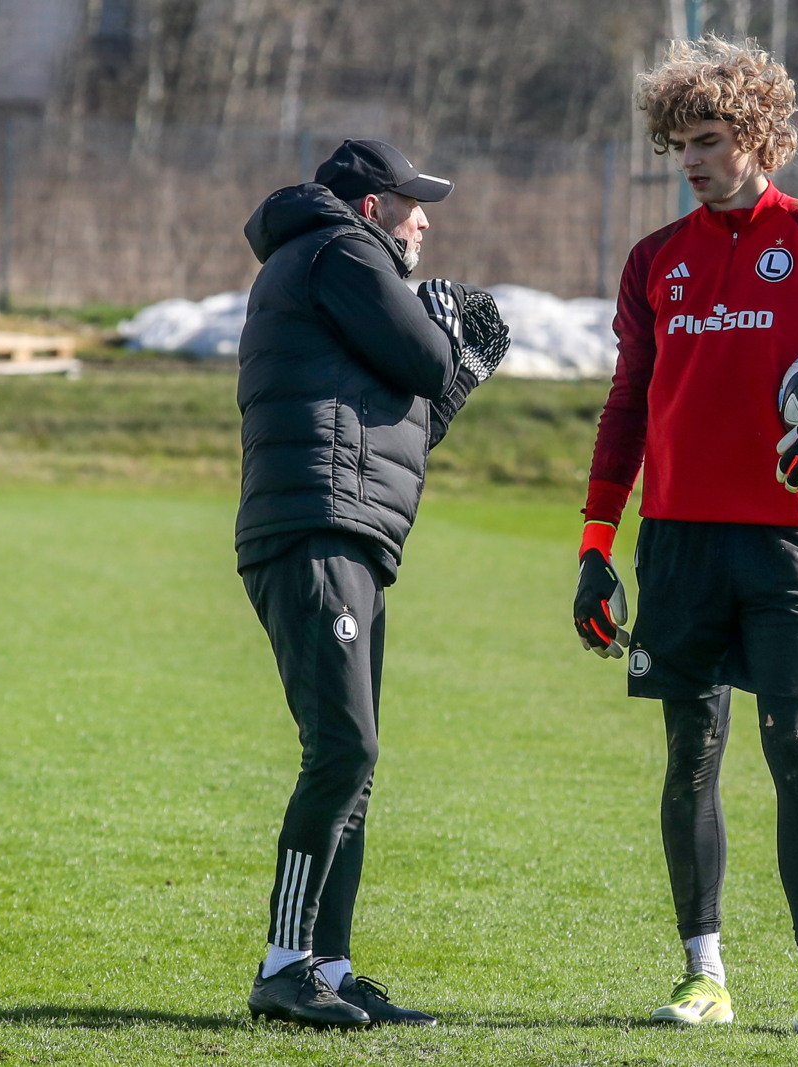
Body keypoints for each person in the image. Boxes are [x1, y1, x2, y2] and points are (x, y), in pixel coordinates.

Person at [572, 38, 798, 1039]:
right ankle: (704, 974)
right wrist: (594, 542)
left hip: (789, 545)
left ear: (759, 135)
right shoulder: (656, 259)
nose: (691, 160)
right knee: (689, 754)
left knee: (795, 749)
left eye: (708, 140)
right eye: (677, 143)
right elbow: (626, 404)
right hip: (680, 543)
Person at [237, 138, 509, 1028]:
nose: (422, 219)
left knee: (353, 764)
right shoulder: (343, 251)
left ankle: (330, 967)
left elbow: (400, 410)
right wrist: (453, 357)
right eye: (410, 202)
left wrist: (441, 371)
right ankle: (285, 965)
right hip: (318, 527)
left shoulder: (324, 256)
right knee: (345, 750)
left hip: (343, 528)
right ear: (369, 207)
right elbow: (426, 363)